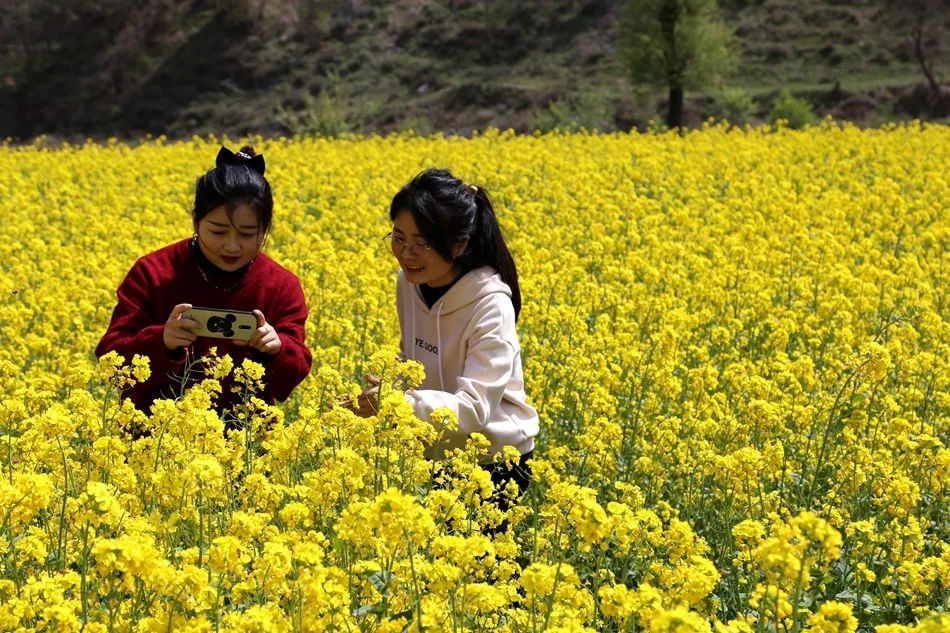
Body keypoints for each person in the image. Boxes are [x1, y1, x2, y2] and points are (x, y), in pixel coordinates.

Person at [356, 168, 539, 509]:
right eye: (398, 238)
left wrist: (398, 404)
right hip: (435, 449)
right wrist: (387, 389)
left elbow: (473, 408)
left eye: (422, 243)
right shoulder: (408, 283)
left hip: (495, 460)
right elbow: (416, 357)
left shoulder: (491, 305)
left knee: (480, 561)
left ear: (459, 244)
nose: (406, 253)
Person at [96, 145, 312, 417]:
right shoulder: (153, 273)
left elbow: (295, 372)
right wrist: (161, 341)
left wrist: (277, 348)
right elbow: (110, 360)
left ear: (265, 230)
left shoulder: (281, 285)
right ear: (196, 221)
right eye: (218, 231)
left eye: (247, 234)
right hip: (156, 441)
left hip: (245, 442)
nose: (232, 246)